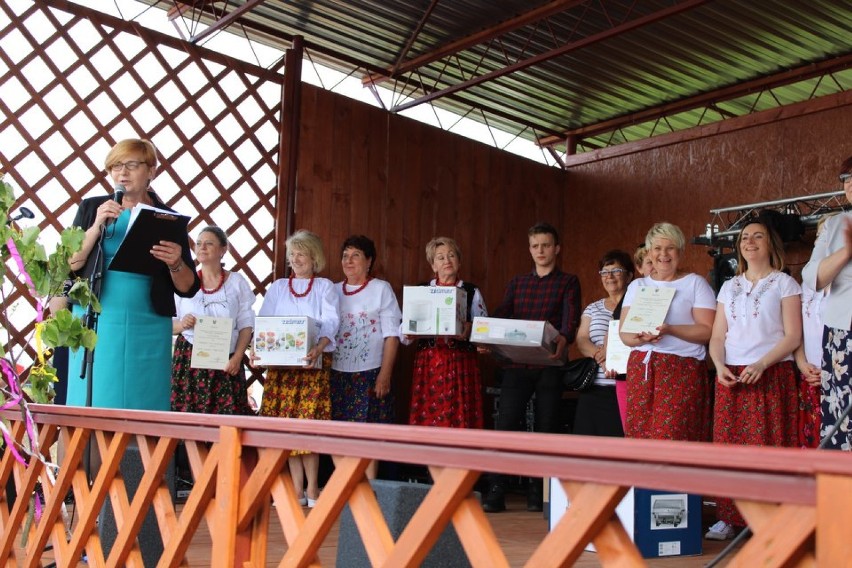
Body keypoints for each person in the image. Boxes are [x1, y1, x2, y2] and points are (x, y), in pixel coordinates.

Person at [67, 138, 199, 410]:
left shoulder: (167, 217)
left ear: (151, 171)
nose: (122, 173)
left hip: (148, 319)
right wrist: (95, 227)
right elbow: (71, 262)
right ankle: (89, 452)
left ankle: (144, 453)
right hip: (98, 316)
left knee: (145, 399)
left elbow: (188, 287)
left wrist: (175, 263)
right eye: (115, 166)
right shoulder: (92, 208)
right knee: (97, 393)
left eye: (131, 165)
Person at [706, 220, 801, 540]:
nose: (750, 241)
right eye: (745, 237)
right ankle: (728, 516)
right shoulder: (728, 286)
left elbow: (793, 336)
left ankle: (770, 518)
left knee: (768, 446)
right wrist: (718, 365)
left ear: (771, 244)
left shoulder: (784, 284)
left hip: (771, 373)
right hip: (731, 375)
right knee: (729, 448)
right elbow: (718, 335)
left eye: (757, 236)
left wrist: (762, 363)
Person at [483, 222, 581, 513]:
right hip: (516, 364)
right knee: (506, 427)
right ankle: (496, 489)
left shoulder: (568, 281)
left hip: (550, 365)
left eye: (546, 245)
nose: (541, 251)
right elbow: (503, 315)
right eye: (535, 246)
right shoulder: (518, 283)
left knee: (546, 428)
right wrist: (485, 334)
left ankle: (539, 491)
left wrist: (564, 338)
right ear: (530, 249)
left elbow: (570, 321)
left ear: (557, 248)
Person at [257, 230, 339, 507]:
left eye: (301, 253)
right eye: (292, 254)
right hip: (282, 369)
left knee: (308, 427)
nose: (295, 259)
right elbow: (265, 321)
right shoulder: (279, 286)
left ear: (314, 257)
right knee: (286, 428)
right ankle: (295, 490)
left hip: (311, 366)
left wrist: (318, 347)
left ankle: (313, 488)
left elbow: (331, 322)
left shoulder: (325, 286)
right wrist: (259, 349)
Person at [619, 222, 715, 442]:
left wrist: (671, 330)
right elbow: (625, 334)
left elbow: (707, 331)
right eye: (658, 248)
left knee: (672, 436)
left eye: (670, 248)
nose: (663, 254)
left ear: (680, 251)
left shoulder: (695, 283)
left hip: (682, 368)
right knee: (640, 437)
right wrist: (639, 337)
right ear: (650, 252)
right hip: (642, 368)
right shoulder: (637, 286)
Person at [331, 235, 401, 479]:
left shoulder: (381, 289)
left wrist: (385, 374)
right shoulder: (331, 291)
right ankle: (345, 484)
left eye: (356, 256)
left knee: (368, 435)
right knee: (338, 433)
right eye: (345, 256)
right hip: (337, 374)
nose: (348, 261)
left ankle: (368, 488)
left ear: (369, 261)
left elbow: (392, 335)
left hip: (370, 374)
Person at [171, 226, 255, 415]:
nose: (202, 247)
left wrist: (237, 357)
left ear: (223, 250)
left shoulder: (236, 282)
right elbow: (168, 323)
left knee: (227, 420)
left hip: (226, 361)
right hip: (189, 360)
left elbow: (246, 324)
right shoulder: (183, 280)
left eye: (209, 243)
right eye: (199, 244)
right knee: (188, 417)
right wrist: (182, 324)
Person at [407, 236, 488, 429]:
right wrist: (409, 331)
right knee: (430, 421)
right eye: (440, 257)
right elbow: (406, 330)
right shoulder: (422, 291)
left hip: (461, 363)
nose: (447, 261)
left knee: (460, 420)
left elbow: (484, 329)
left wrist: (470, 329)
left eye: (451, 255)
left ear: (459, 261)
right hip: (429, 363)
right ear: (433, 265)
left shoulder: (471, 291)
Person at [802, 157, 852, 451]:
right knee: (842, 422)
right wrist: (846, 252)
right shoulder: (835, 225)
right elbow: (812, 277)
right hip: (841, 336)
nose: (849, 184)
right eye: (845, 179)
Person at [573, 250, 634, 437]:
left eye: (616, 271)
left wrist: (614, 357)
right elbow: (582, 339)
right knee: (586, 444)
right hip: (594, 386)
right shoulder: (593, 307)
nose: (609, 277)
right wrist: (601, 356)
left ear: (630, 275)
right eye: (605, 272)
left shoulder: (637, 306)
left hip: (625, 386)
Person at [795, 214, 836, 448]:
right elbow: (798, 330)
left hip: (843, 379)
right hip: (810, 377)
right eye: (820, 237)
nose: (824, 243)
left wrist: (832, 372)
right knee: (812, 445)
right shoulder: (807, 285)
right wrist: (802, 364)